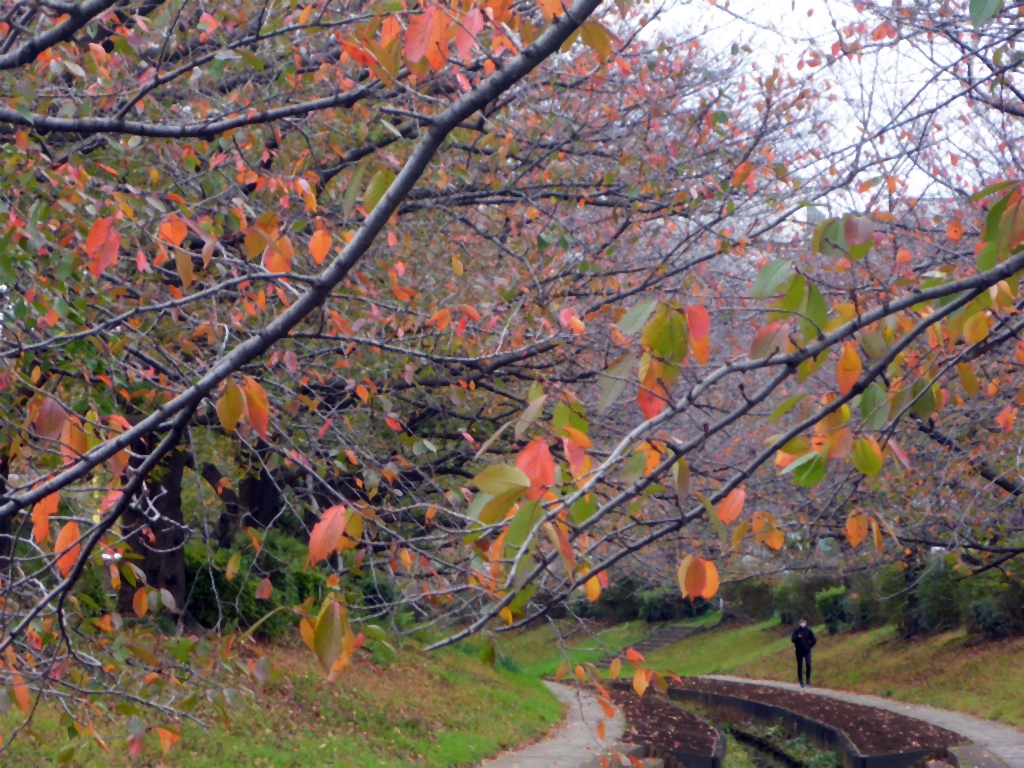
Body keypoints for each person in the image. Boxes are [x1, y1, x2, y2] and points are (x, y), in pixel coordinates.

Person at [791, 618, 816, 688]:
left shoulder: (808, 631)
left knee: (808, 664)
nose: (802, 623)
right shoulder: (797, 631)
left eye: (803, 622)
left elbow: (814, 640)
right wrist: (798, 637)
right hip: (799, 650)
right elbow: (793, 639)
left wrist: (810, 646)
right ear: (799, 623)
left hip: (807, 650)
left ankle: (808, 680)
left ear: (806, 623)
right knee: (800, 665)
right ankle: (801, 681)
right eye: (801, 622)